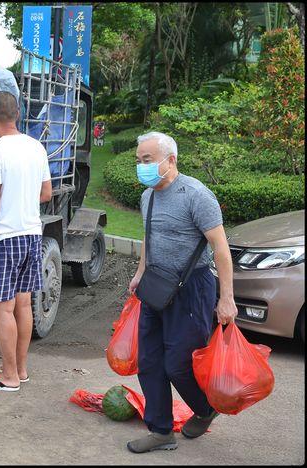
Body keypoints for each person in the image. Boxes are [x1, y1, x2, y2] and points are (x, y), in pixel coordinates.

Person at [126, 131, 238, 453]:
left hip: (192, 289)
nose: (142, 167)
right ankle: (161, 431)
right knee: (149, 362)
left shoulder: (196, 195)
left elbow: (220, 247)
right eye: (139, 161)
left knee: (179, 363)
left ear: (170, 160)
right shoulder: (148, 195)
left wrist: (226, 297)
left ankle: (205, 409)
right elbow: (149, 238)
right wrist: (139, 273)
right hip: (155, 287)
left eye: (147, 160)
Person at [0, 91, 53, 392]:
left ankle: (8, 376)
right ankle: (20, 369)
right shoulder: (36, 147)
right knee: (23, 305)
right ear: (17, 115)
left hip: (4, 238)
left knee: (2, 309)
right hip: (32, 234)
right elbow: (46, 194)